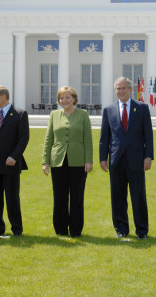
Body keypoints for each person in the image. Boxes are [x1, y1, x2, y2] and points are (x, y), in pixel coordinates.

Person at [100, 77, 153, 239]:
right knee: (117, 196)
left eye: (124, 88)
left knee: (138, 196)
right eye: (118, 88)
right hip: (116, 160)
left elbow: (148, 135)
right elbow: (105, 137)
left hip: (136, 159)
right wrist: (103, 158)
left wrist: (148, 156)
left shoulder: (142, 108)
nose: (121, 91)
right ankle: (121, 229)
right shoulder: (109, 110)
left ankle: (141, 230)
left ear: (130, 90)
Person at [42, 86, 93, 237]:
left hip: (78, 162)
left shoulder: (83, 114)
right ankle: (61, 230)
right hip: (58, 161)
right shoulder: (54, 115)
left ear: (74, 99)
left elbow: (88, 140)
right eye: (61, 98)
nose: (65, 100)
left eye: (68, 97)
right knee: (59, 197)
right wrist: (45, 162)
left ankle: (76, 230)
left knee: (77, 197)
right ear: (58, 100)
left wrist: (89, 160)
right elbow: (48, 139)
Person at [0, 85, 29, 237]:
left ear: (4, 97)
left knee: (12, 198)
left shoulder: (20, 114)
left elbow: (23, 139)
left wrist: (14, 157)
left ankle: (16, 229)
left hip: (11, 163)